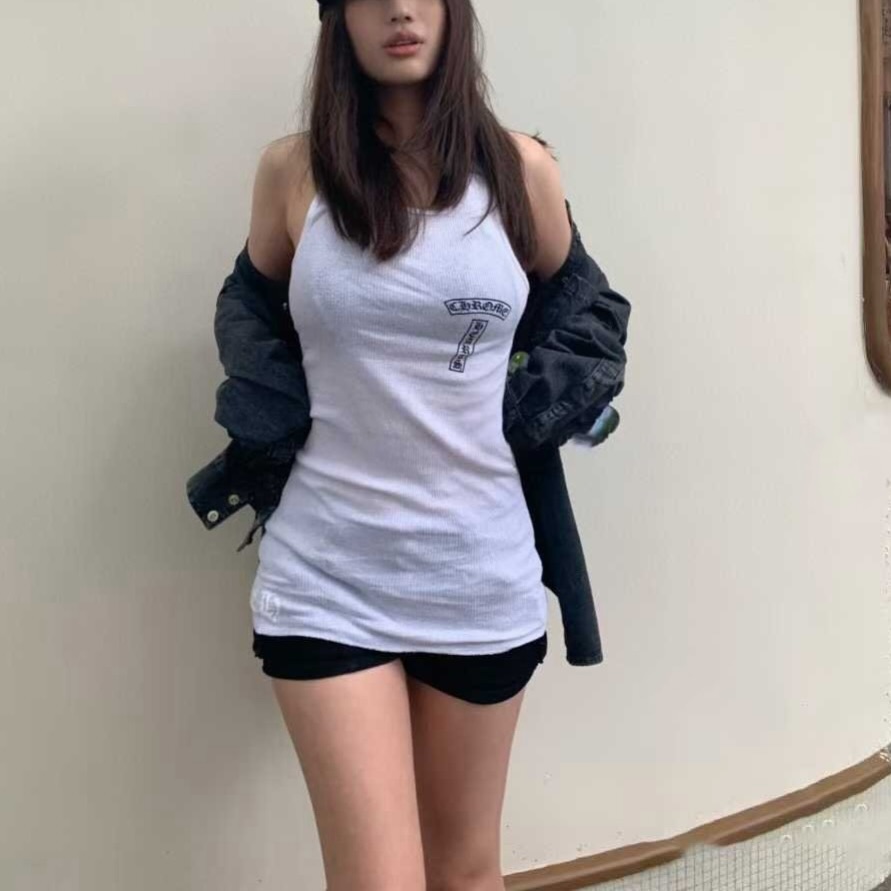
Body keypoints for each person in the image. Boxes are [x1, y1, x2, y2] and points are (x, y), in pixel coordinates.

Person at [244, 2, 585, 888]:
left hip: (479, 572)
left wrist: (530, 411)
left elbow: (582, 316)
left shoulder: (519, 169)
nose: (399, 8)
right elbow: (248, 315)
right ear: (336, 18)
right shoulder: (293, 172)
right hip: (326, 577)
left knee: (464, 871)